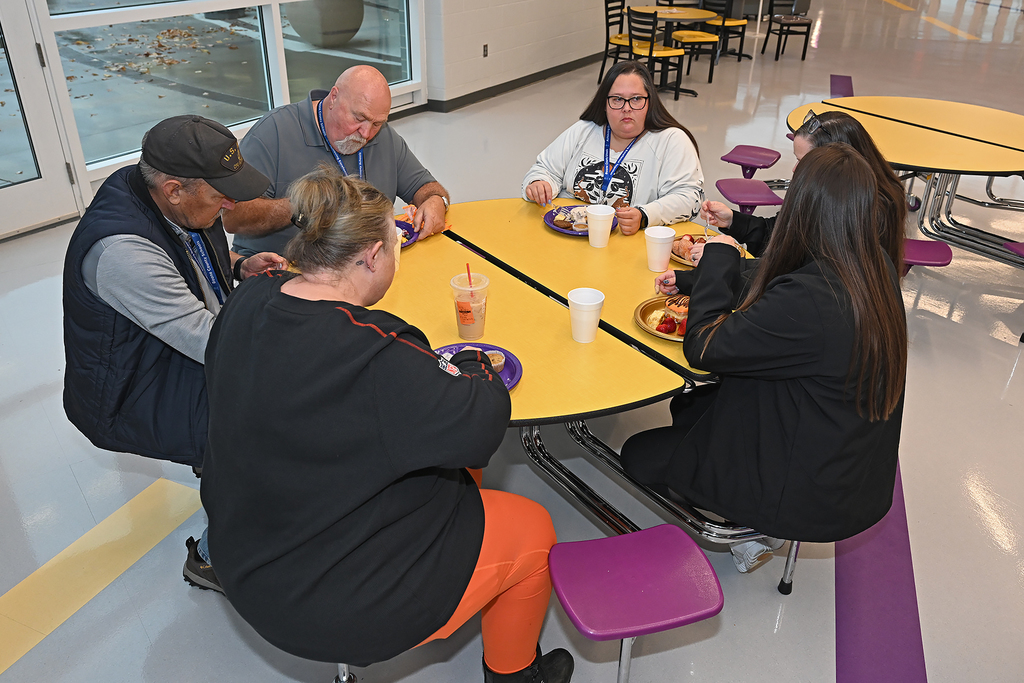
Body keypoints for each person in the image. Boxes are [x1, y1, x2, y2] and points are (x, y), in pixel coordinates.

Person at [201, 167, 574, 683]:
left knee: (451, 473)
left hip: (242, 548)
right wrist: (473, 367)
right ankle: (516, 675)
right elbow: (481, 425)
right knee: (535, 530)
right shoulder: (375, 349)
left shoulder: (252, 293)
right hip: (329, 602)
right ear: (373, 254)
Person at [623, 143, 908, 574]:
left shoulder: (814, 301)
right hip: (845, 462)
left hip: (803, 484)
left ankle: (756, 523)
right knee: (689, 406)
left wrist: (720, 252)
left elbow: (703, 347)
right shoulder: (872, 263)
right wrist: (695, 278)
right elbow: (776, 280)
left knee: (638, 453)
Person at [62, 115, 287, 593]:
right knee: (264, 420)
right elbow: (213, 342)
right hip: (130, 386)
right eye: (221, 193)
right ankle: (212, 557)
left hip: (166, 345)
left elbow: (185, 252)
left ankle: (224, 471)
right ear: (173, 190)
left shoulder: (162, 194)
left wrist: (239, 264)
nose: (232, 203)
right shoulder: (121, 250)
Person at [225, 65, 450, 256]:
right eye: (359, 118)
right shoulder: (273, 132)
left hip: (360, 267)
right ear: (333, 97)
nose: (366, 134)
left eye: (376, 123)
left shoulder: (383, 136)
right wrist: (303, 206)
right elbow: (233, 217)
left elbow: (427, 188)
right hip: (285, 271)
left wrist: (437, 201)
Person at [699, 110, 907, 272]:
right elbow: (784, 231)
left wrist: (725, 261)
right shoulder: (832, 192)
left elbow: (796, 270)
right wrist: (733, 221)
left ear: (837, 162)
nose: (795, 170)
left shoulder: (859, 213)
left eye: (803, 162)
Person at [521, 61, 704, 235]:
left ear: (650, 103)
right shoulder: (584, 130)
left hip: (629, 242)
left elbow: (689, 197)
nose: (626, 108)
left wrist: (645, 215)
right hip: (568, 233)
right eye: (617, 99)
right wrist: (539, 183)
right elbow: (544, 169)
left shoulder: (671, 140)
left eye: (636, 99)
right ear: (604, 104)